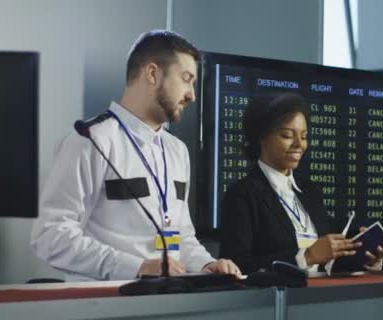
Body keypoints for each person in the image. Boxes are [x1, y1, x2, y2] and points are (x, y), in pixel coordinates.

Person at [31, 30, 240, 281]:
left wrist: (205, 264)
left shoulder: (177, 150)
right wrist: (136, 266)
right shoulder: (90, 140)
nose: (191, 95)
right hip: (107, 304)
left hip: (169, 301)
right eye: (186, 79)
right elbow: (51, 236)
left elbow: (181, 236)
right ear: (152, 74)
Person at [219, 92, 383, 274]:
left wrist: (365, 257)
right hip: (274, 301)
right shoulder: (242, 194)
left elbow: (326, 266)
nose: (299, 144)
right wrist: (306, 257)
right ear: (261, 137)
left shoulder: (310, 191)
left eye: (304, 136)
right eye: (287, 135)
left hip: (320, 298)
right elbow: (236, 265)